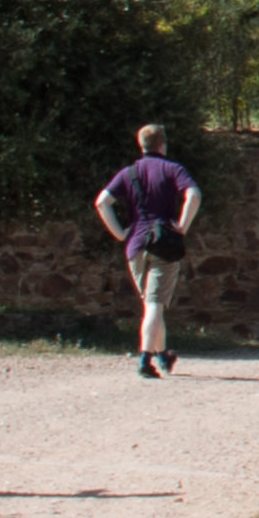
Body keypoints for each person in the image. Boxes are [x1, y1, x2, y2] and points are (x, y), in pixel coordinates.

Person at [91, 123, 199, 379]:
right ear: (163, 144)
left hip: (135, 246)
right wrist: (182, 226)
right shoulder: (172, 169)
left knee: (152, 304)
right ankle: (145, 360)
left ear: (141, 145)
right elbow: (194, 194)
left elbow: (102, 202)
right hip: (164, 245)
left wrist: (120, 233)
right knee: (154, 305)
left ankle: (163, 355)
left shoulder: (128, 173)